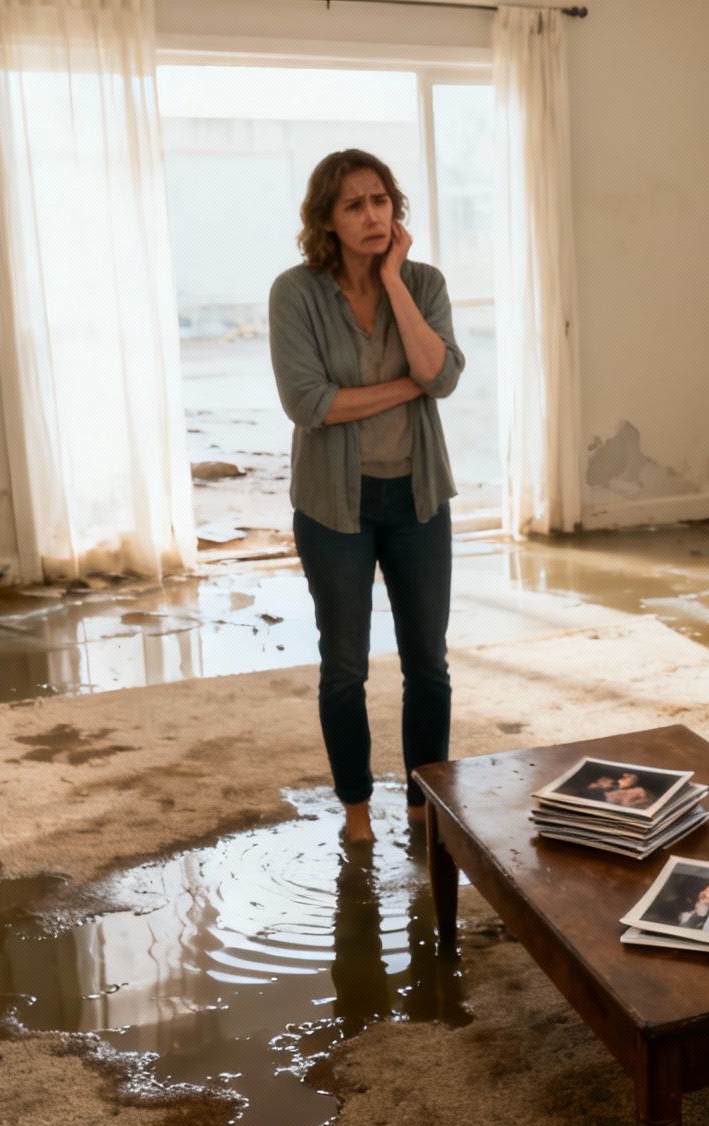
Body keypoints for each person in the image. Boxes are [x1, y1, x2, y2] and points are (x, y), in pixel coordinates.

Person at [270, 149, 465, 844]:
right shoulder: (295, 293)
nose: (372, 214)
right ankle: (356, 812)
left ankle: (424, 806)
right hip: (334, 509)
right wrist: (410, 384)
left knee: (428, 664)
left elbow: (441, 376)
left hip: (418, 501)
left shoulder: (423, 281)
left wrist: (394, 283)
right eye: (354, 205)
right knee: (345, 667)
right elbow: (309, 403)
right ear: (326, 219)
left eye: (380, 200)